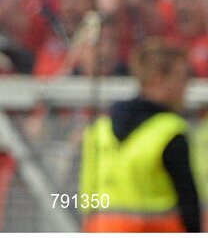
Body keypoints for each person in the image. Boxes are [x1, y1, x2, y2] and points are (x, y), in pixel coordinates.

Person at [79, 38, 201, 232]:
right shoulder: (170, 132)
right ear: (159, 78)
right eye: (182, 77)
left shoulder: (99, 130)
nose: (186, 87)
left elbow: (86, 198)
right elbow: (189, 205)